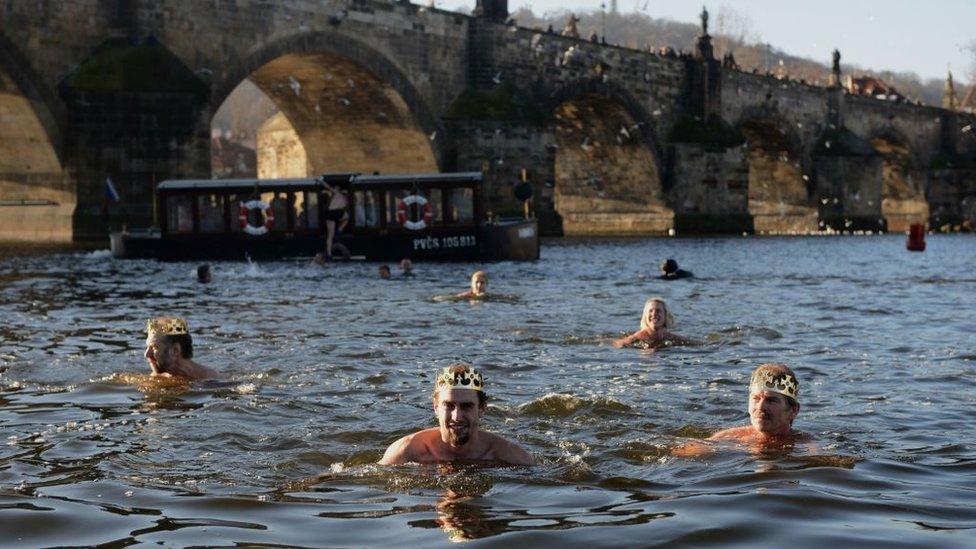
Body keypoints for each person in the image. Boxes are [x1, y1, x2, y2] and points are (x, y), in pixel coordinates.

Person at [378, 364, 534, 465]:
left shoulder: (509, 455)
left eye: (466, 406)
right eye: (449, 406)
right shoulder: (406, 452)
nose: (457, 416)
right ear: (436, 407)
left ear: (482, 409)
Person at [672, 364, 808, 457]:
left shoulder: (805, 446)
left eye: (771, 400)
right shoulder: (729, 438)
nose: (760, 407)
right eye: (756, 398)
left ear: (793, 410)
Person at [143, 317, 218, 381]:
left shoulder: (210, 380)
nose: (146, 354)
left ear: (175, 350)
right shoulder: (157, 376)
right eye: (147, 347)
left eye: (154, 347)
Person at [613, 297, 695, 348]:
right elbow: (617, 344)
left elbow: (694, 343)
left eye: (658, 311)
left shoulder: (672, 337)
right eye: (651, 311)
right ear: (645, 316)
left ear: (665, 316)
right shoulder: (637, 337)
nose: (654, 314)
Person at [322, 178, 349, 259]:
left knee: (330, 235)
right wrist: (322, 182)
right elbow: (328, 187)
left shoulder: (338, 194)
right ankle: (340, 228)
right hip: (335, 212)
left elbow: (328, 187)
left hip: (332, 213)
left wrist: (322, 182)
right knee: (346, 217)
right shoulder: (338, 193)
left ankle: (329, 254)